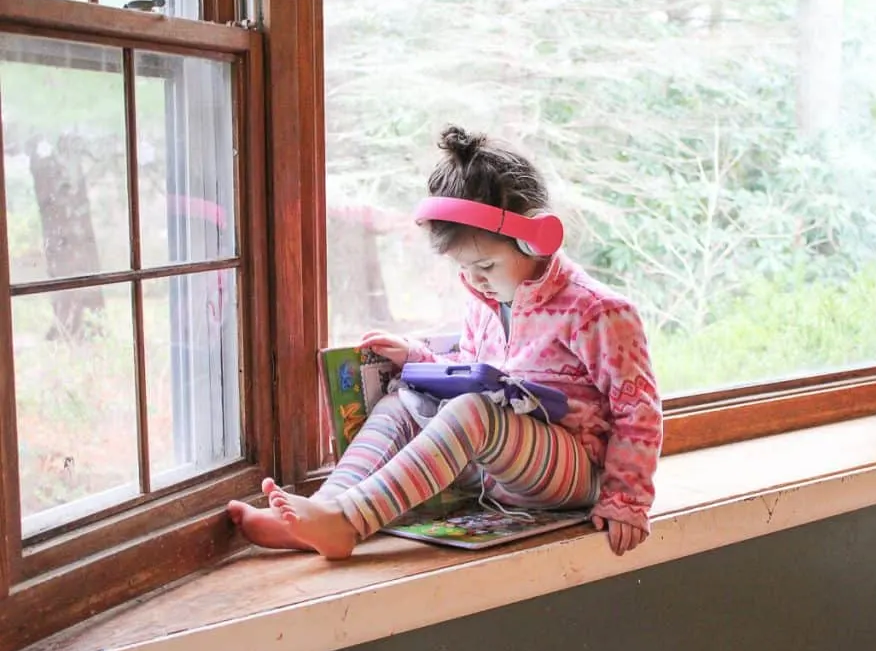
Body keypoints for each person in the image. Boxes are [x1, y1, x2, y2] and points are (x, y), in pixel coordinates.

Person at [227, 125, 663, 558]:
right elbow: (473, 369)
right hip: (492, 468)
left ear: (537, 239)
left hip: (572, 469)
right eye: (464, 268)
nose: (475, 280)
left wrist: (626, 500)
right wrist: (418, 361)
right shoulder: (485, 301)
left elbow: (638, 410)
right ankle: (324, 508)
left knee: (474, 411)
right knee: (400, 401)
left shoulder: (597, 312)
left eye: (486, 265)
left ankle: (348, 523)